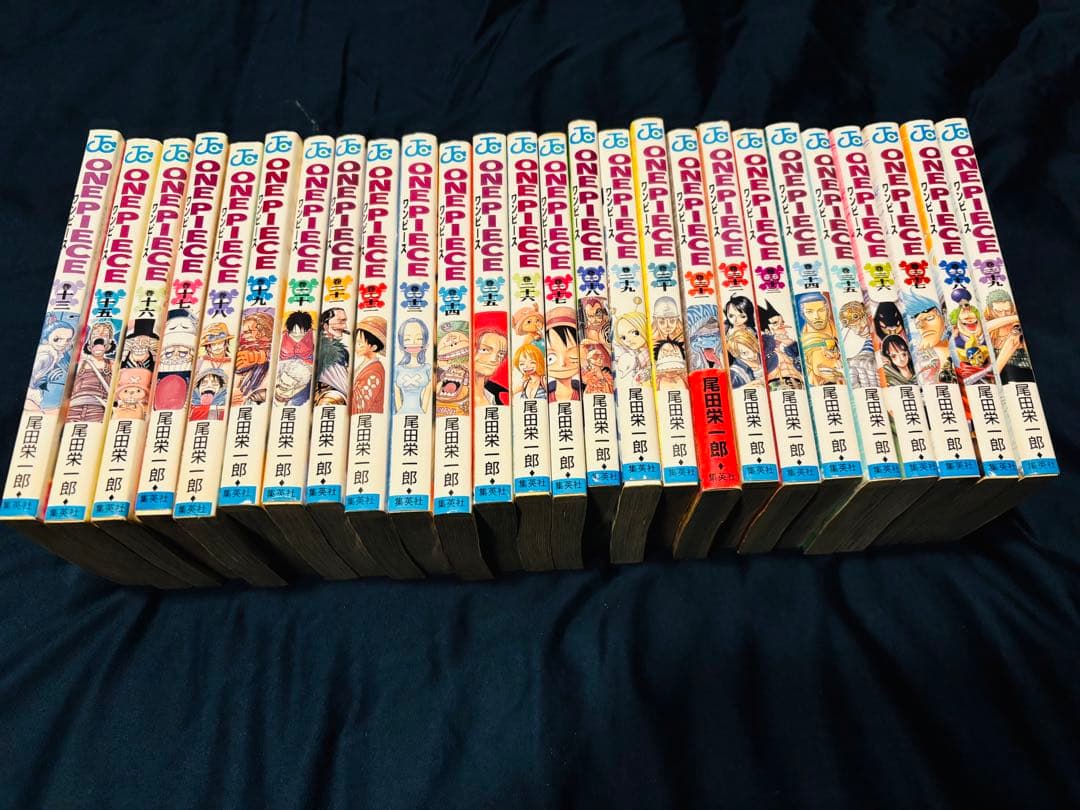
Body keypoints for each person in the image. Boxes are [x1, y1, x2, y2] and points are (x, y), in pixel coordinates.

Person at [394, 318, 432, 414]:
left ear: (425, 343)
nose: (413, 342)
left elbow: (427, 393)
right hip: (401, 414)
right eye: (407, 339)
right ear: (401, 344)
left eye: (419, 339)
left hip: (421, 414)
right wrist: (399, 411)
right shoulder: (397, 369)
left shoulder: (428, 368)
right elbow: (396, 393)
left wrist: (423, 412)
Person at [544, 306, 582, 402]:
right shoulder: (544, 396)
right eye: (551, 358)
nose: (562, 363)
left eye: (572, 355)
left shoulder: (584, 393)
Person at [350, 317, 387, 414]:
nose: (356, 346)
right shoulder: (366, 365)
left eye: (360, 343)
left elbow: (360, 406)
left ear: (373, 347)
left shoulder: (374, 372)